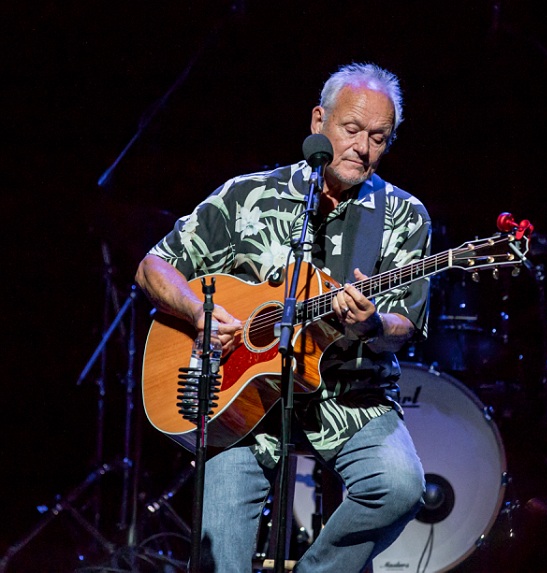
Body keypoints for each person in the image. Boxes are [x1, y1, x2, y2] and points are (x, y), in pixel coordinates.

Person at [135, 62, 431, 572]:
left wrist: (372, 325)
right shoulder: (248, 195)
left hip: (352, 396)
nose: (363, 147)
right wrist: (199, 313)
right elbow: (153, 267)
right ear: (319, 121)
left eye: (379, 138)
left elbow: (403, 324)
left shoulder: (404, 216)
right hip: (239, 401)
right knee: (218, 558)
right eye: (352, 129)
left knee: (400, 486)